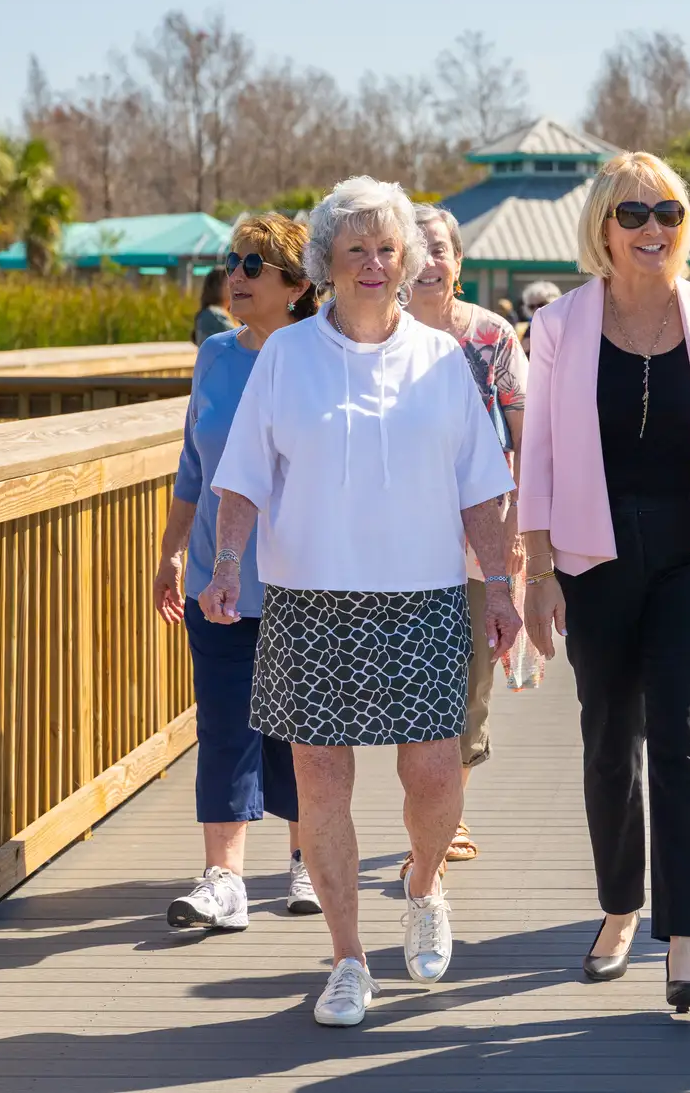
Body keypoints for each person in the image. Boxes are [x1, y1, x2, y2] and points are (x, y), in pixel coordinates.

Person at [202, 177, 522, 1028]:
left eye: (388, 249)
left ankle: (422, 884)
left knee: (435, 771)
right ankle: (347, 958)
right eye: (357, 251)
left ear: (408, 260)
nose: (375, 264)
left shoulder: (441, 358)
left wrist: (499, 584)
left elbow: (481, 487)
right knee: (322, 782)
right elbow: (242, 475)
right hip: (310, 599)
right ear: (327, 266)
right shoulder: (288, 356)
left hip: (420, 597)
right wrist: (228, 560)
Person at [519, 151, 690, 1014]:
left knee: (684, 739)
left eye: (667, 212)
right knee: (609, 740)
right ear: (603, 226)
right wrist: (538, 570)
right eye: (632, 214)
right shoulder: (560, 325)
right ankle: (620, 907)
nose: (652, 229)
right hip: (595, 557)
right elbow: (541, 458)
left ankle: (688, 937)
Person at [152, 214, 320, 934]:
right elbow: (196, 462)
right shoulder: (215, 355)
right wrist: (169, 549)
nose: (238, 275)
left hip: (304, 580)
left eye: (256, 265)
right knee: (224, 723)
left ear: (298, 285)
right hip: (212, 581)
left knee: (304, 728)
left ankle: (308, 856)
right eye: (233, 261)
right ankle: (224, 879)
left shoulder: (320, 357)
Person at [404, 204, 528, 866]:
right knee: (419, 686)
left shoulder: (492, 337)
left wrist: (524, 536)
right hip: (399, 542)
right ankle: (428, 812)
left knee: (472, 685)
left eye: (440, 250)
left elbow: (527, 437)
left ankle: (449, 815)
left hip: (481, 539)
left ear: (460, 262)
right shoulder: (375, 337)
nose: (428, 262)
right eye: (415, 249)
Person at [191, 267, 239, 344]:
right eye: (229, 282)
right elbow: (238, 340)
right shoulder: (213, 314)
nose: (235, 286)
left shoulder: (228, 313)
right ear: (216, 287)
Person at [516, 279, 561, 357]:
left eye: (541, 305)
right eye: (531, 306)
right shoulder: (523, 330)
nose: (536, 310)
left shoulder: (564, 327)